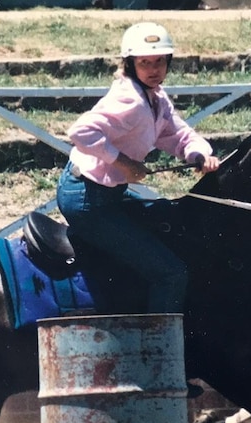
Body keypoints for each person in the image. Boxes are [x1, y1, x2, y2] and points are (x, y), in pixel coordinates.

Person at [56, 22, 220, 314]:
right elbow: (80, 132)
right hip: (87, 201)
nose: (153, 69)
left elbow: (178, 134)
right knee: (170, 273)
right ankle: (158, 351)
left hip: (106, 194)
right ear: (130, 64)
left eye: (159, 61)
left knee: (171, 219)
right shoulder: (130, 99)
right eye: (144, 62)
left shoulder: (155, 97)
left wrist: (199, 155)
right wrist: (123, 163)